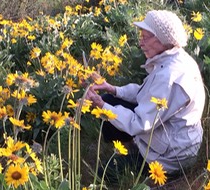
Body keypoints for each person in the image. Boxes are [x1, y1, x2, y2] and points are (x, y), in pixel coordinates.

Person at [85, 10, 206, 183]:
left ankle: (152, 171)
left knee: (104, 173)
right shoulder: (175, 58)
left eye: (146, 36)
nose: (140, 42)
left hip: (171, 157)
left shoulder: (170, 76)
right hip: (173, 137)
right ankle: (132, 149)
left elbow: (139, 123)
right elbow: (146, 93)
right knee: (110, 100)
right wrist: (113, 89)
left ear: (164, 40)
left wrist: (101, 105)